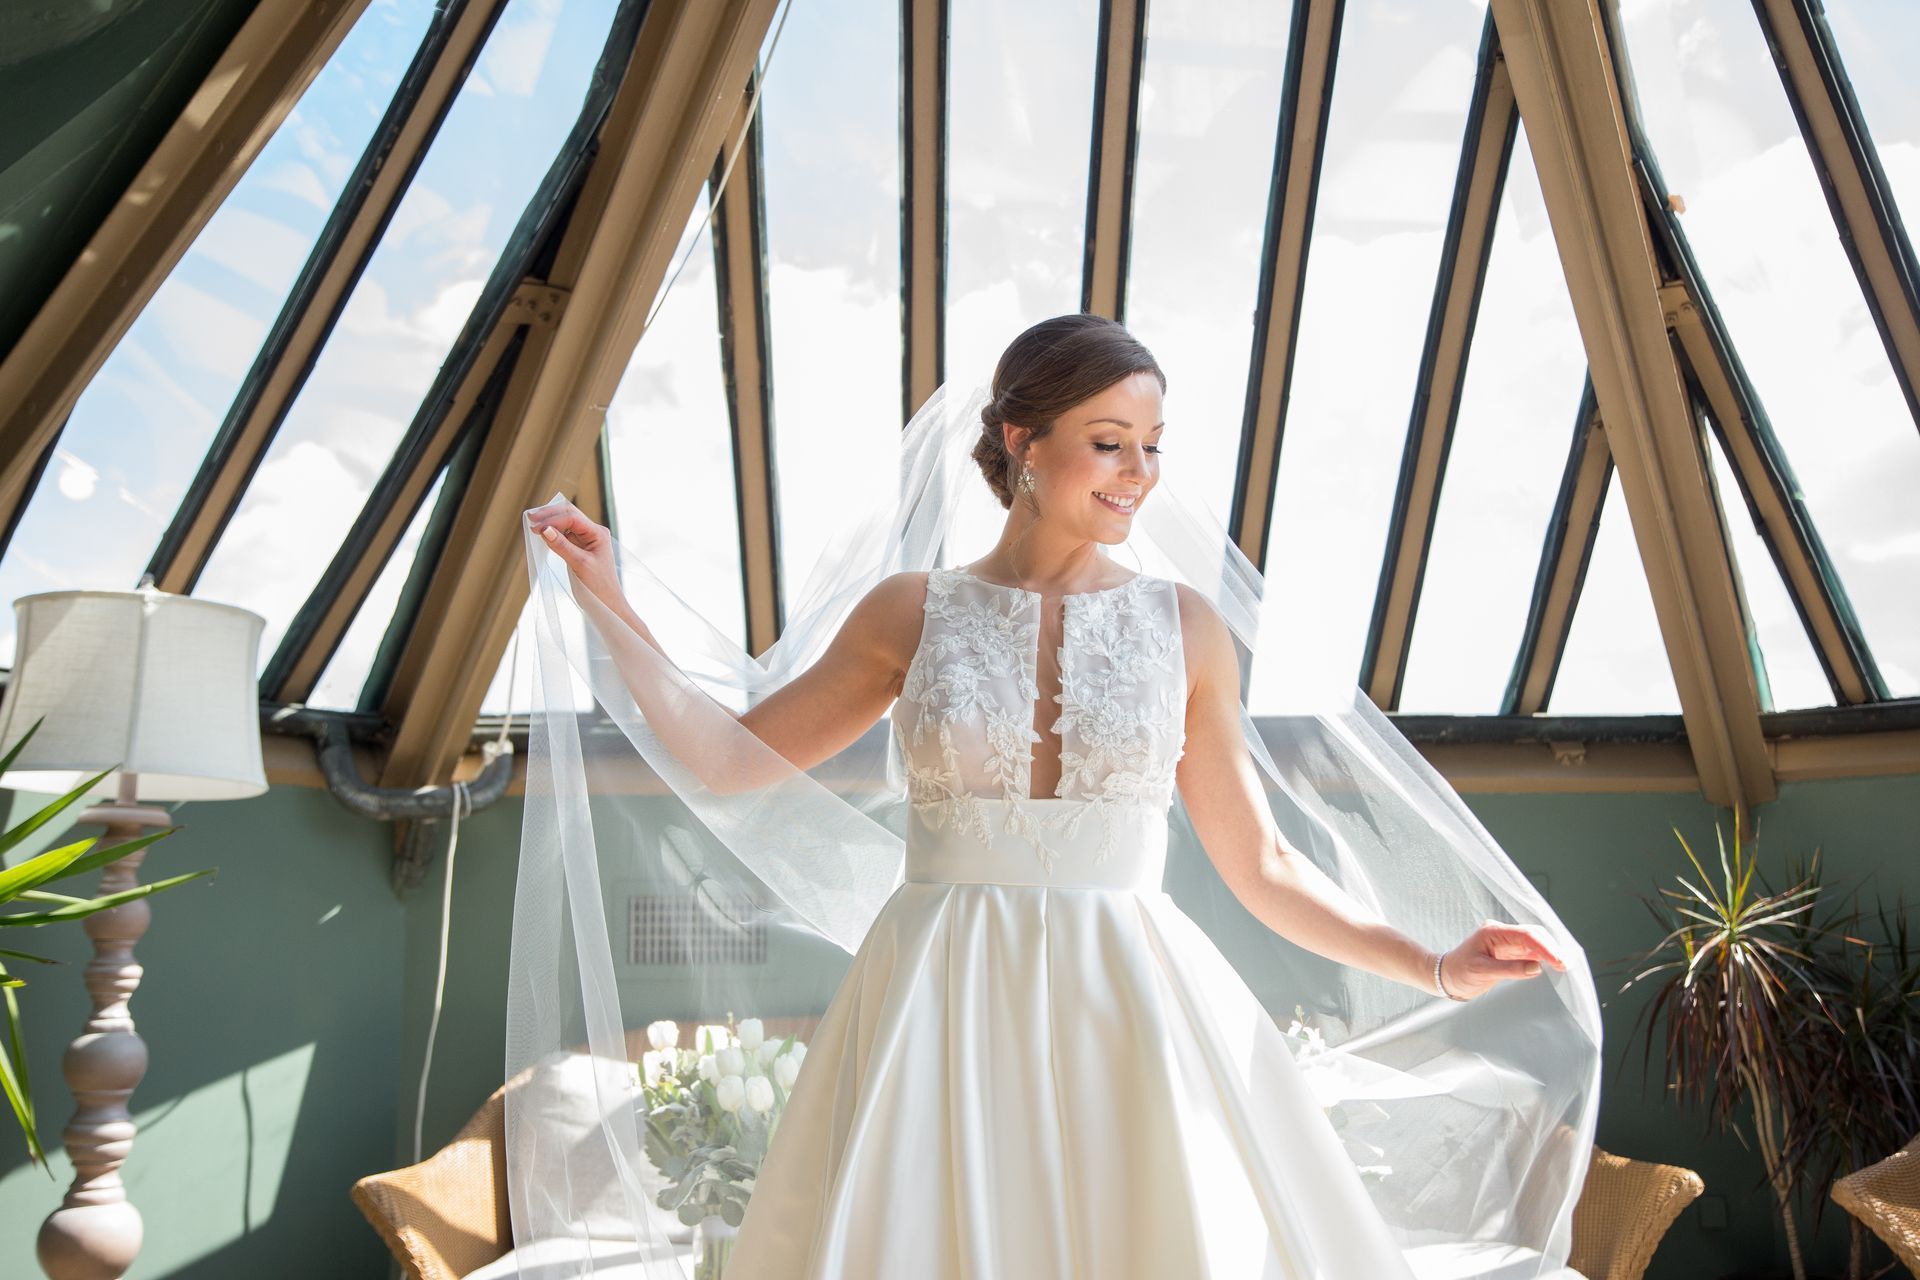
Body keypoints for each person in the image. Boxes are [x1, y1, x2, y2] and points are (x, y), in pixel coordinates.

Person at [510, 314, 1601, 1279]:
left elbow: (1261, 862)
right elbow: (732, 758)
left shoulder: (1186, 629)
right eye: (1109, 443)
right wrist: (610, 600)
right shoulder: (910, 612)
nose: (1138, 474)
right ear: (1024, 445)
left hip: (1125, 1002)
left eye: (1151, 448)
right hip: (936, 996)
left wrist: (1435, 963)